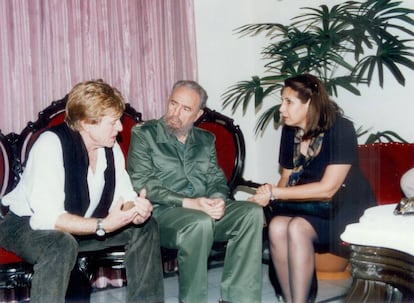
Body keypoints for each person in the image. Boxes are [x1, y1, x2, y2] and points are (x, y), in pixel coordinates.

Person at [0, 80, 164, 303]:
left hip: (81, 224)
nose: (121, 128)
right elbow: (48, 218)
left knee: (145, 227)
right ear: (87, 123)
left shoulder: (111, 148)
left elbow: (123, 196)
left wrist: (135, 209)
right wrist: (103, 225)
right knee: (60, 244)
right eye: (113, 122)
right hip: (24, 226)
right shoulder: (51, 145)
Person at [127, 80, 263, 303]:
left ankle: (239, 299)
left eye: (185, 109)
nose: (175, 113)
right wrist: (190, 203)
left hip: (203, 208)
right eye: (173, 103)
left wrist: (218, 200)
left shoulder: (206, 139)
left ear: (198, 114)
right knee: (199, 222)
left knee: (251, 213)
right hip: (162, 214)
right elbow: (143, 183)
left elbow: (216, 179)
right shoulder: (145, 134)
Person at [249, 74, 376, 303]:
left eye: (289, 102)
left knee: (297, 228)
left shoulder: (341, 129)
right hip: (310, 203)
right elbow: (286, 179)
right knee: (277, 226)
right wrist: (269, 201)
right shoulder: (290, 131)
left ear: (309, 103)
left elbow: (329, 188)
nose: (281, 108)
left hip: (346, 204)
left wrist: (273, 193)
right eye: (282, 100)